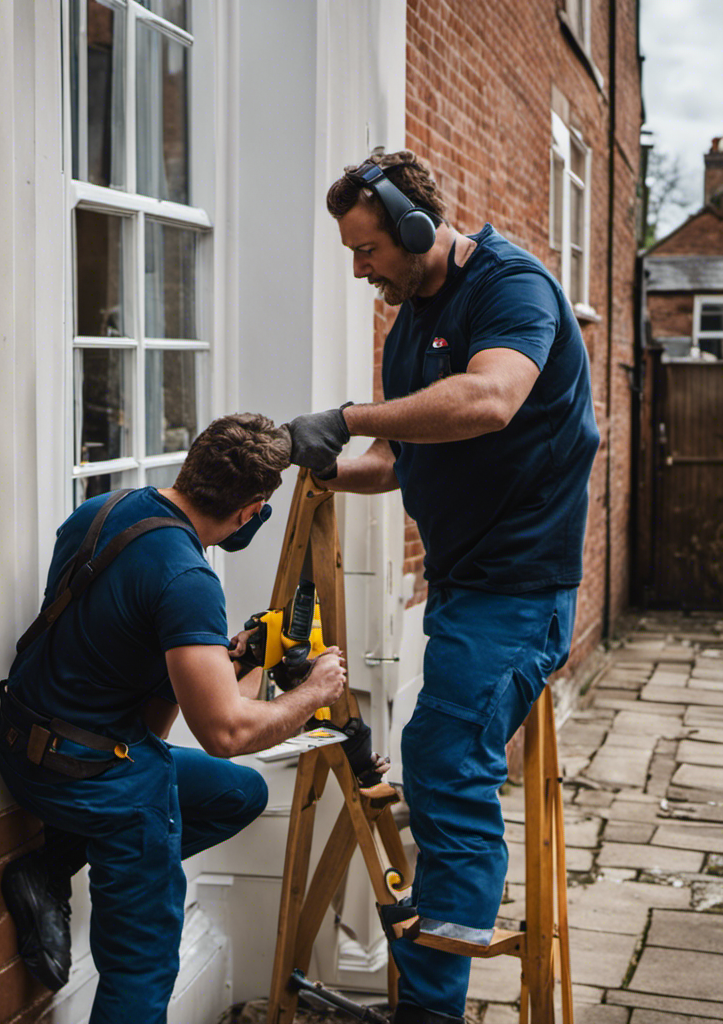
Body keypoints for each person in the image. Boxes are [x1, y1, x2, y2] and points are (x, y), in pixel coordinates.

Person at [284, 150, 599, 1024]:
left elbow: (490, 401)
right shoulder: (406, 325)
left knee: (440, 750)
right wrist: (312, 463)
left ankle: (434, 999)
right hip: (465, 589)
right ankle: (429, 985)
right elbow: (395, 458)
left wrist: (344, 415)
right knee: (434, 754)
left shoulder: (512, 290)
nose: (358, 270)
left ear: (415, 226)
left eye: (367, 249)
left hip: (521, 589)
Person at [0, 412, 348, 1024]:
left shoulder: (103, 511)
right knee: (144, 967)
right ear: (250, 511)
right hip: (95, 776)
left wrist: (222, 658)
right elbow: (225, 733)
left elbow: (130, 665)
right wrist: (314, 693)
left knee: (240, 794)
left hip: (23, 744)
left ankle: (52, 865)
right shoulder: (188, 578)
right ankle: (113, 871)